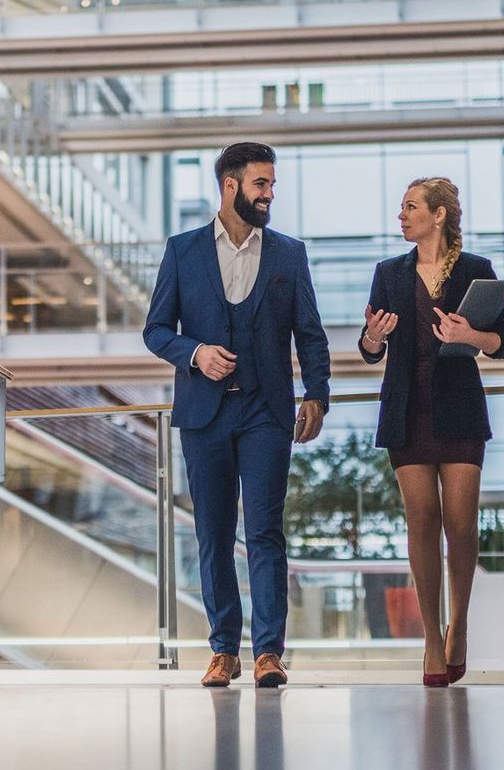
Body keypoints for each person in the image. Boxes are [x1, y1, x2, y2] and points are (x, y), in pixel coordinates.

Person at [143, 142, 330, 688]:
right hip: (204, 415)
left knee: (266, 532)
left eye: (271, 185)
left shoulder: (288, 255)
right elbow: (156, 330)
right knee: (213, 533)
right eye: (261, 184)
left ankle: (269, 652)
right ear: (231, 187)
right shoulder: (183, 251)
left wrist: (316, 393)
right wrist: (195, 353)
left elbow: (311, 334)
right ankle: (224, 649)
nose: (269, 194)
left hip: (268, 412)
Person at [358, 177, 504, 687]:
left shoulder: (477, 271)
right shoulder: (388, 274)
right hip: (406, 407)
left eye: (410, 207)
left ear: (439, 215)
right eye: (402, 208)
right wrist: (371, 337)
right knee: (421, 522)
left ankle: (461, 625)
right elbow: (370, 350)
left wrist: (469, 334)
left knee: (461, 525)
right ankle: (431, 637)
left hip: (460, 406)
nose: (401, 216)